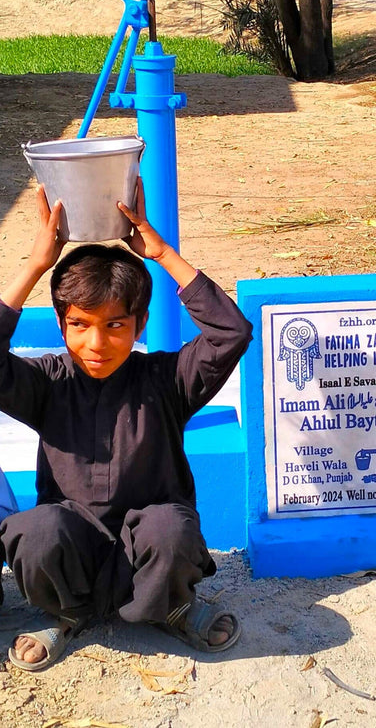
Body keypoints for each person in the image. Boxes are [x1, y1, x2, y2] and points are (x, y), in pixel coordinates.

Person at [0, 181, 253, 670]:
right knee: (35, 529)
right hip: (75, 547)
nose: (96, 343)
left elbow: (231, 333)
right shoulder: (46, 382)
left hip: (152, 550)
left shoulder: (167, 378)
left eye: (115, 325)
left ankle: (174, 606)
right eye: (80, 324)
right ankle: (66, 613)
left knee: (170, 526)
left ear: (140, 325)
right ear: (61, 324)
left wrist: (161, 253)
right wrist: (34, 266)